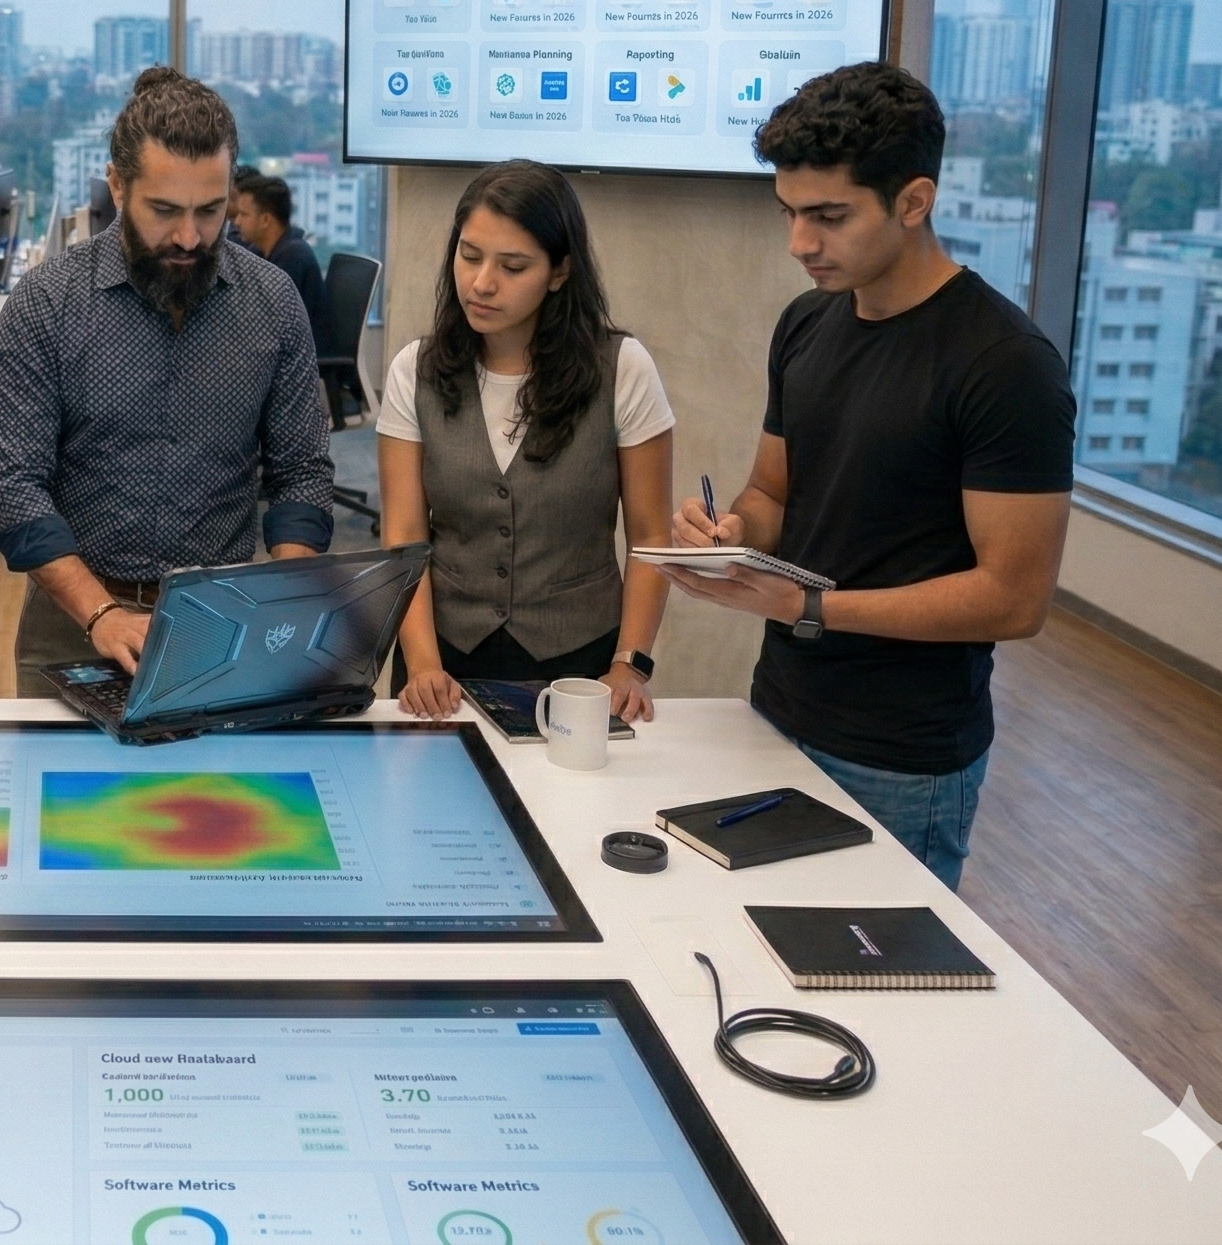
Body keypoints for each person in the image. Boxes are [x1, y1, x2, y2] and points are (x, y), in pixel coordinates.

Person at [665, 61, 1074, 890]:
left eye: (828, 216)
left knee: (883, 989)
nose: (799, 243)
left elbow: (1014, 599)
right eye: (788, 213)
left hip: (904, 752)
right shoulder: (808, 321)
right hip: (778, 706)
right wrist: (731, 536)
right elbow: (772, 494)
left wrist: (811, 607)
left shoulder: (1004, 364)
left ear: (913, 201)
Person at [0, 66, 336, 696]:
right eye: (165, 210)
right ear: (117, 186)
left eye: (211, 210)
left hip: (222, 621)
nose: (190, 236)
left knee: (209, 795)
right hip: (73, 618)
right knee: (64, 794)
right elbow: (16, 489)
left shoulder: (273, 302)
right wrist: (103, 614)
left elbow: (301, 472)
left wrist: (286, 603)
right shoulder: (47, 304)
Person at [382, 161, 675, 726]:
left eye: (512, 266)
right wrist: (421, 664)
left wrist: (629, 666)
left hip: (579, 661)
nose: (482, 282)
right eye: (469, 256)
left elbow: (650, 538)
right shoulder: (413, 371)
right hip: (442, 657)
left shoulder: (622, 369)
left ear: (559, 271)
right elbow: (404, 539)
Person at [230, 171, 330, 346]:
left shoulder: (293, 257)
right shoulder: (261, 252)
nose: (236, 222)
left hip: (300, 355)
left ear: (266, 220)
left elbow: (265, 321)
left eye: (244, 215)